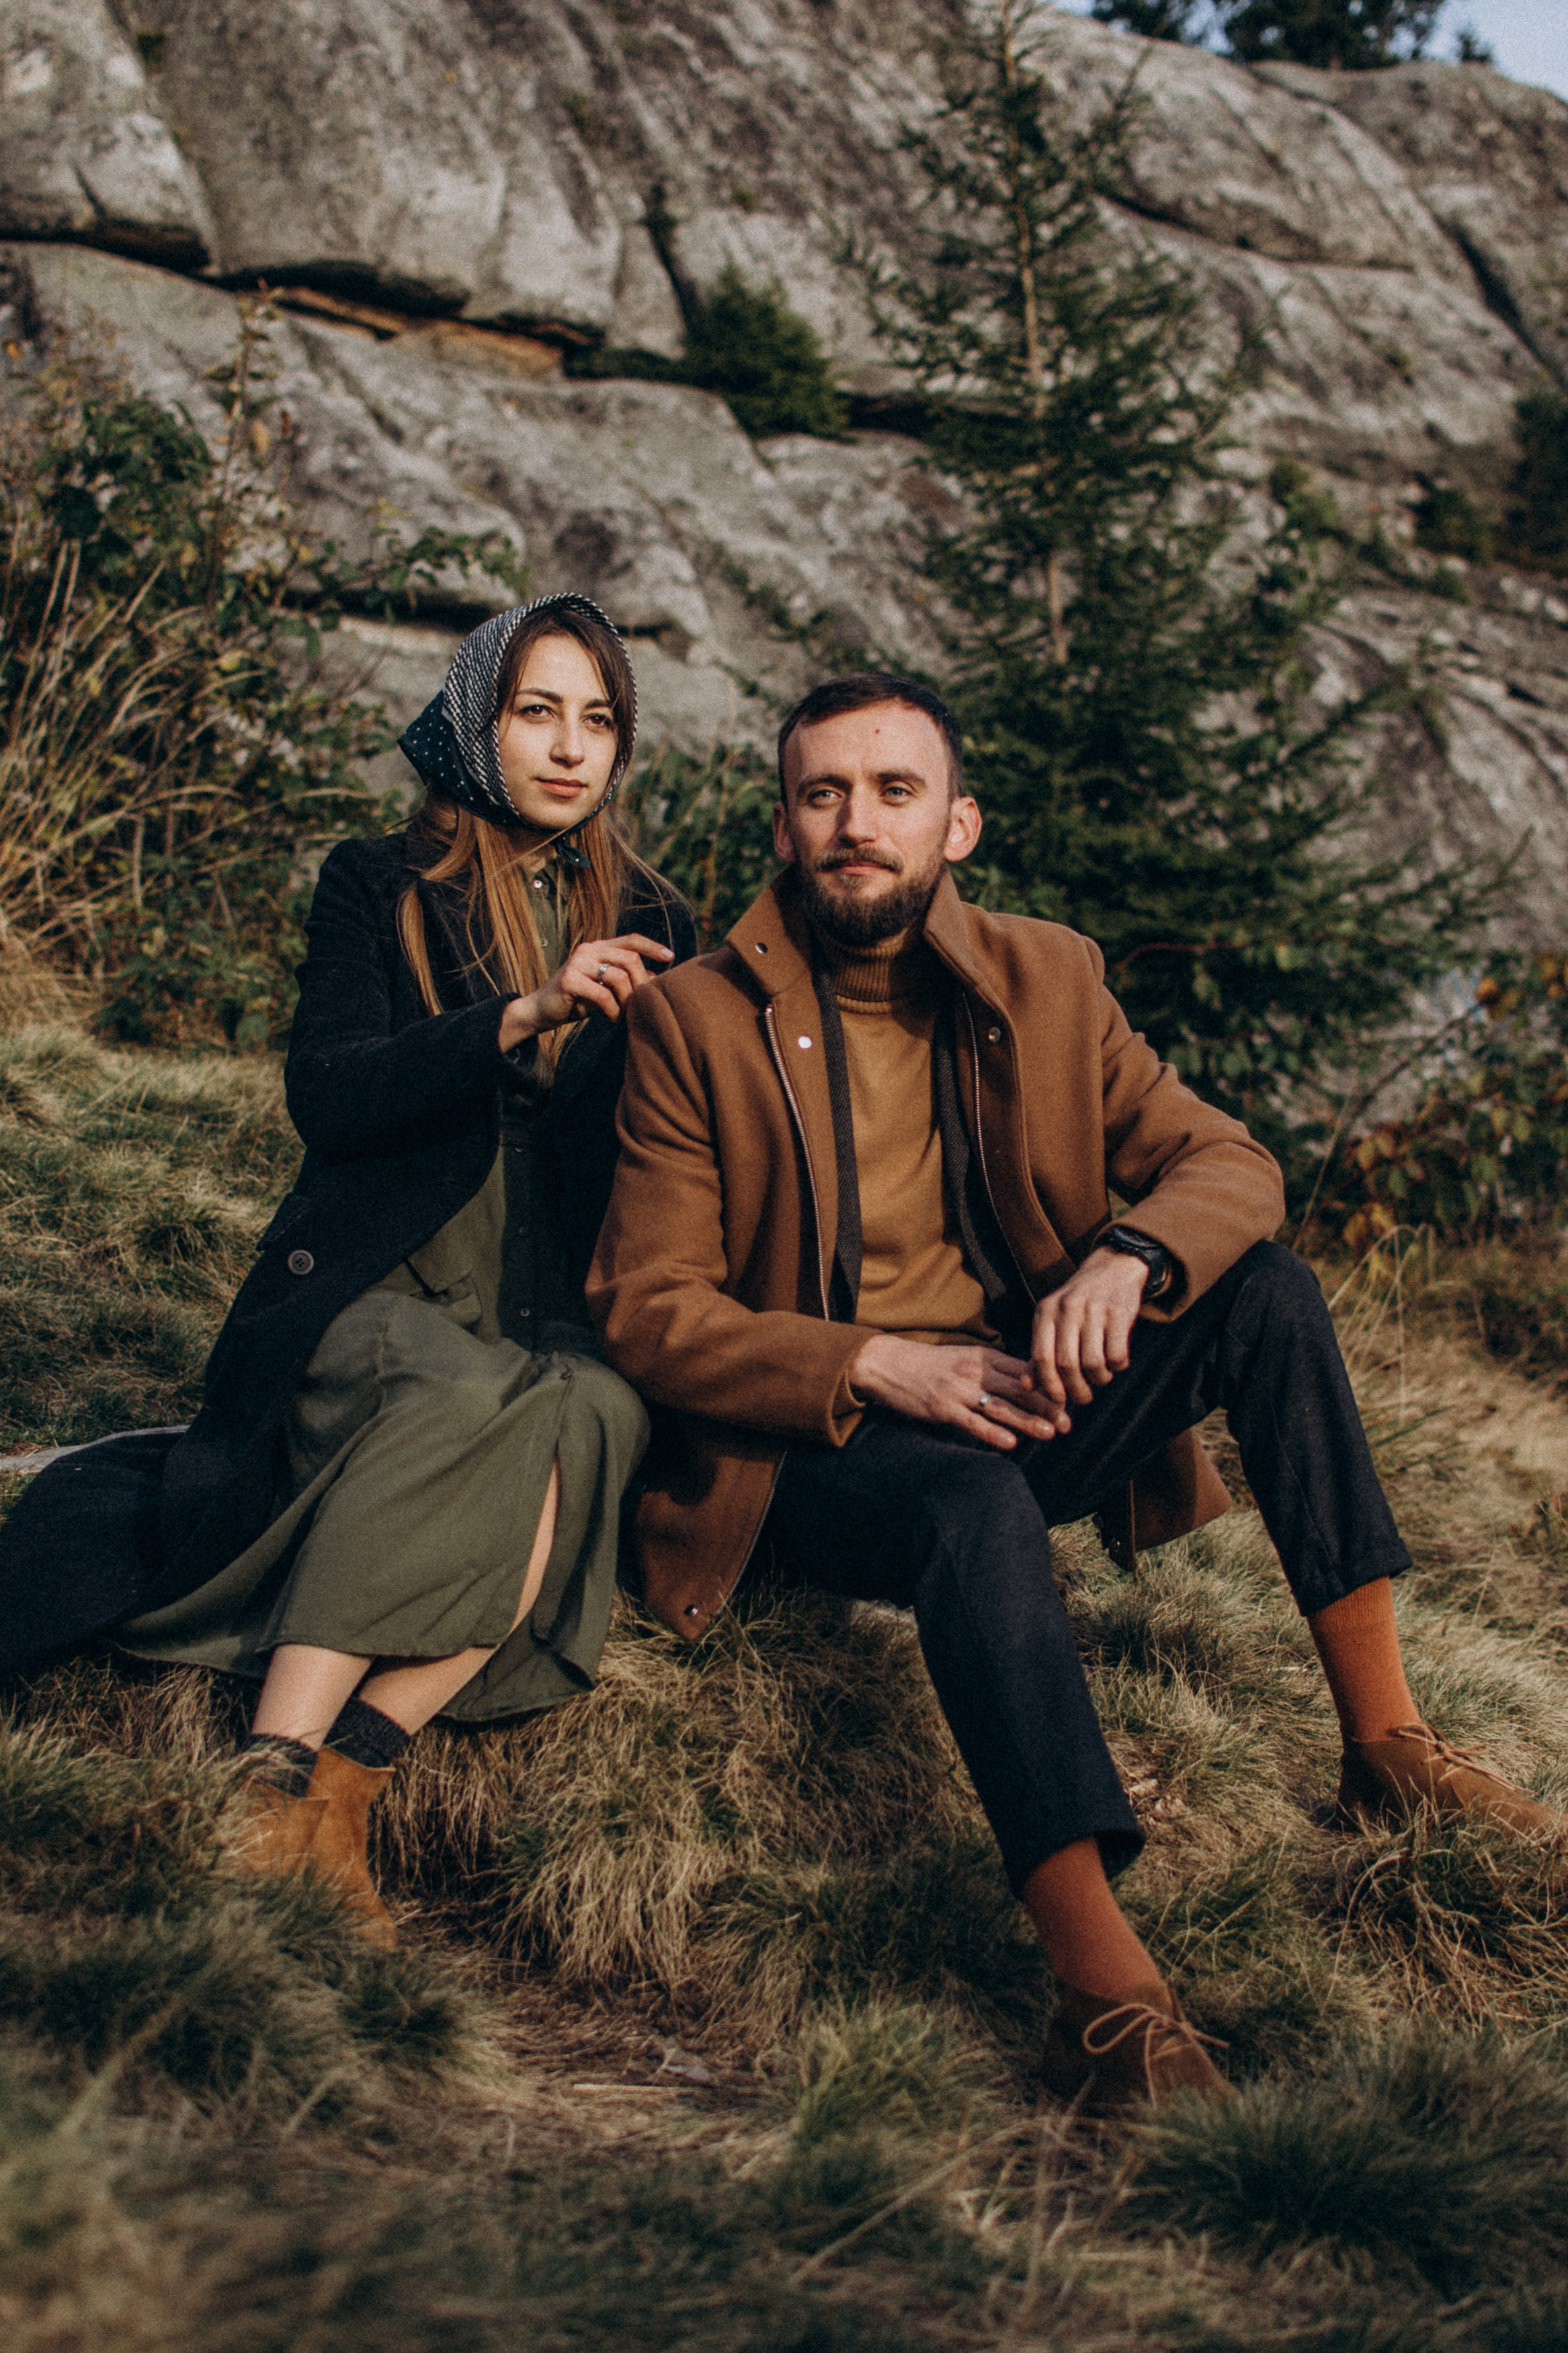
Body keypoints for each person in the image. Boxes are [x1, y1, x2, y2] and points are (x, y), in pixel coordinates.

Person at [587, 670, 1563, 2113]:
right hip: (810, 1453)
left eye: (894, 793)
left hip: (1014, 1392)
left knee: (1270, 1290)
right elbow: (646, 1308)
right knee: (970, 1496)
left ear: (958, 824)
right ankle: (1106, 1998)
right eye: (824, 795)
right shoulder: (694, 1021)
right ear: (785, 828)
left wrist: (1133, 1253)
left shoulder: (1049, 978)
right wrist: (869, 1359)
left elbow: (1231, 1163)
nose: (859, 824)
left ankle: (1386, 1747)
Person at [0, 594, 694, 1947]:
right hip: (383, 1281)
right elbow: (329, 1095)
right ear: (474, 718)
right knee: (458, 1401)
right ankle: (264, 1784)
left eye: (597, 720)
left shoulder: (662, 912)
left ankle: (343, 1792)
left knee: (599, 1412)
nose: (569, 747)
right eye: (536, 710)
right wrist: (525, 1012)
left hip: (554, 1296)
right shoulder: (380, 884)